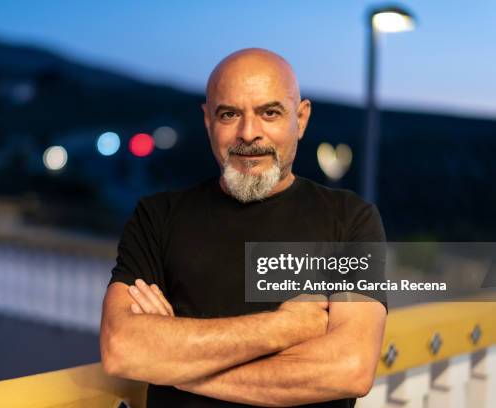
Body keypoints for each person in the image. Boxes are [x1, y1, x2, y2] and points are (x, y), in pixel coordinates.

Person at [100, 48, 387, 407]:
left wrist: (174, 367)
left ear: (301, 118)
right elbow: (121, 348)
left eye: (269, 113)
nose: (248, 133)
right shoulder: (157, 216)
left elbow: (350, 368)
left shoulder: (351, 219)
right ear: (208, 121)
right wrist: (282, 328)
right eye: (229, 114)